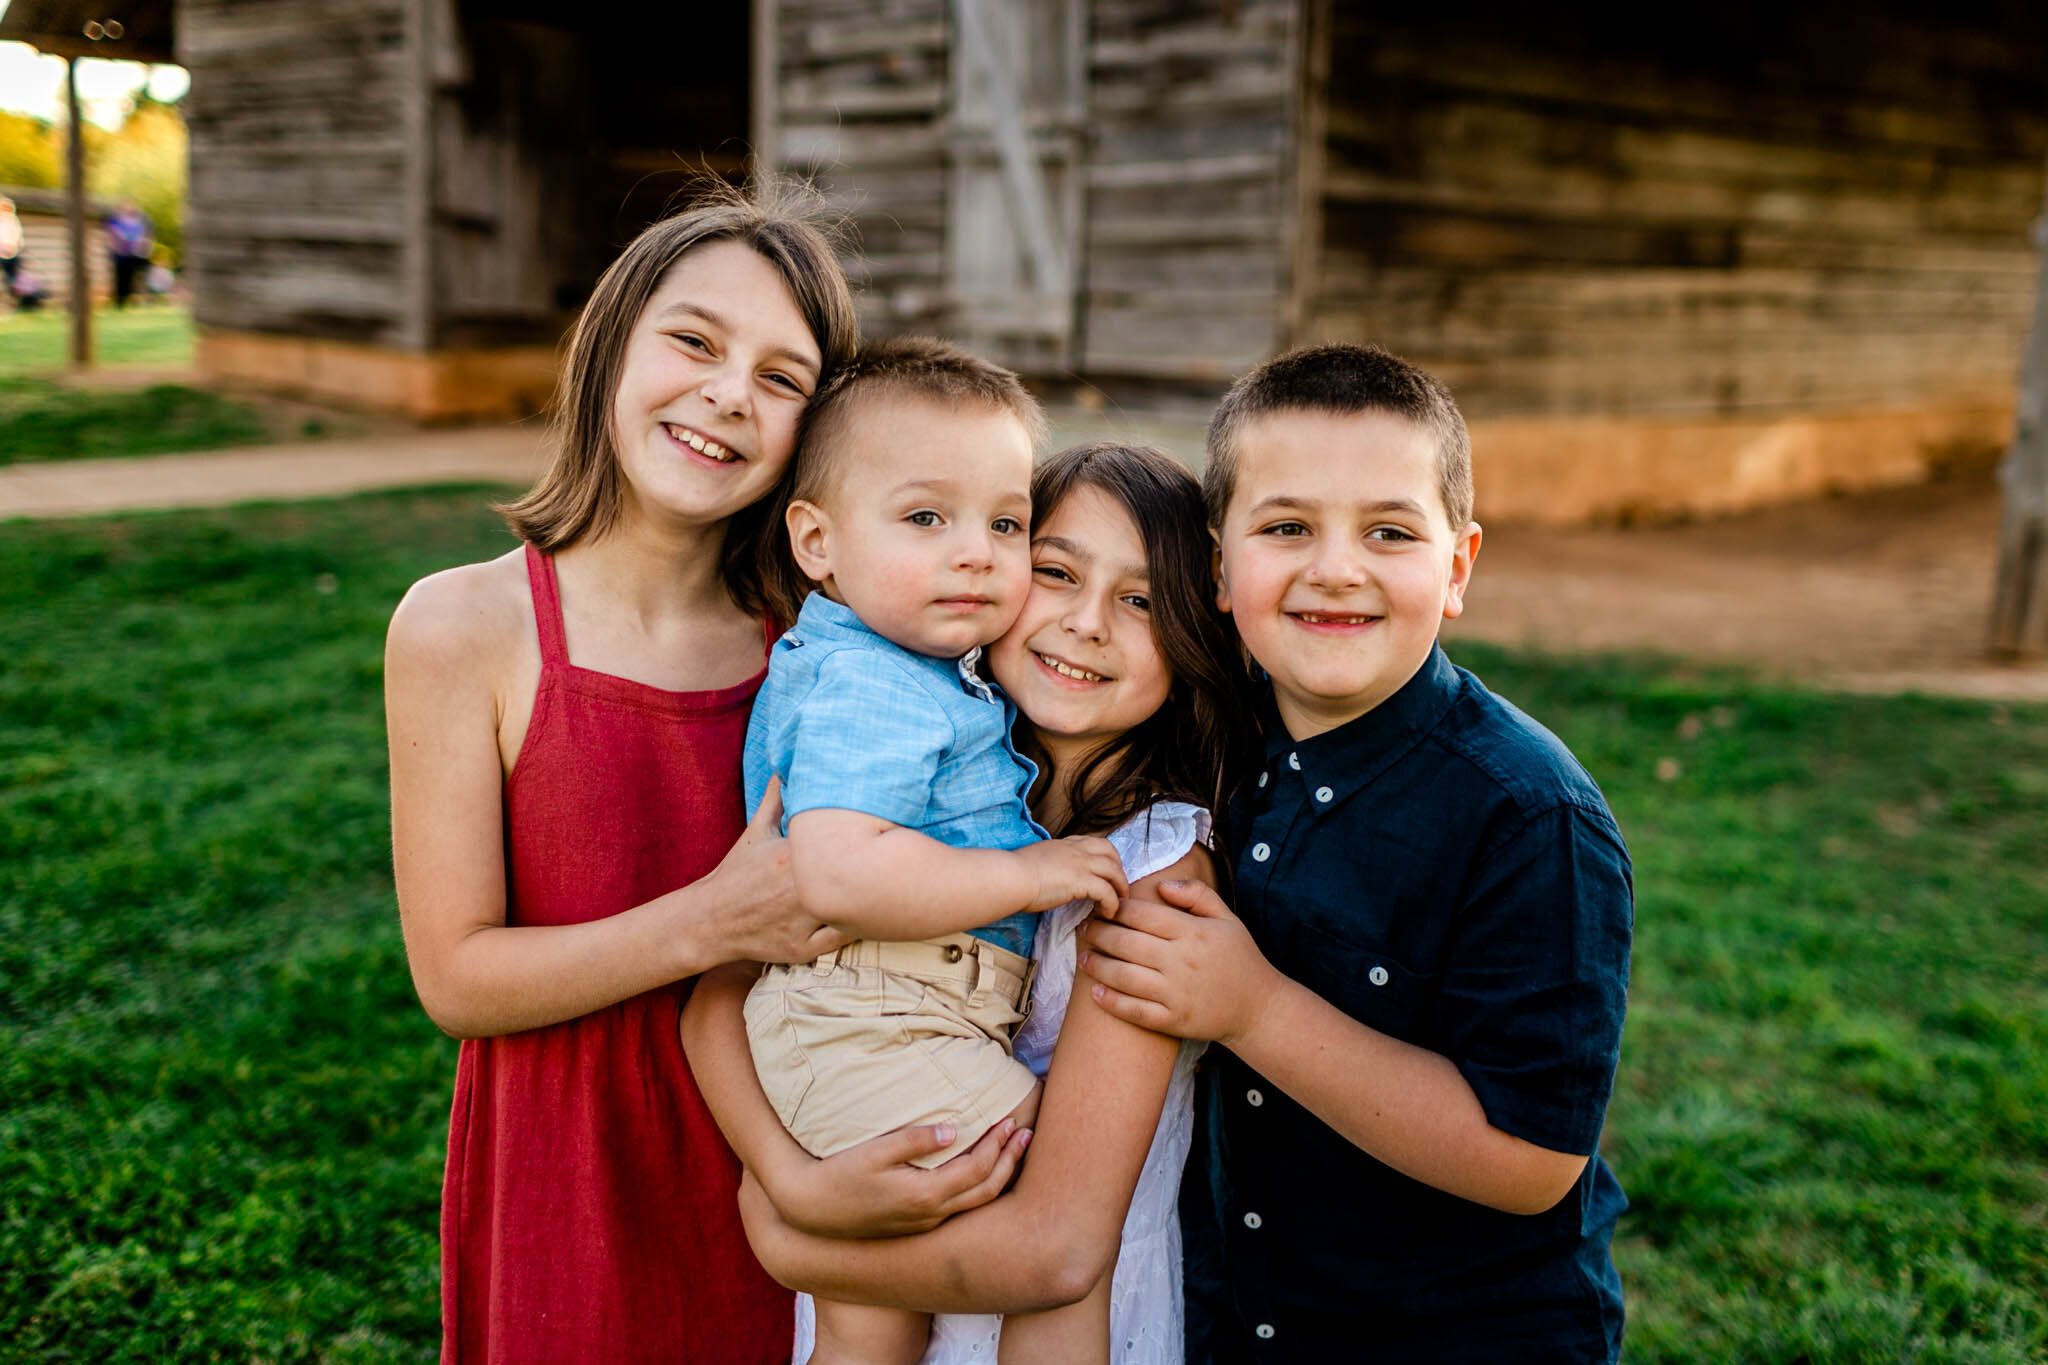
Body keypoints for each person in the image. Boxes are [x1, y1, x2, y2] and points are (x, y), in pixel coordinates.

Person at [384, 186, 974, 1364]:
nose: (725, 394)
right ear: (611, 346)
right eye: (694, 342)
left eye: (780, 376)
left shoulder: (828, 646)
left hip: (795, 1135)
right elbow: (456, 978)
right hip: (572, 1166)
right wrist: (711, 919)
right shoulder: (464, 626)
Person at [1077, 343, 1635, 1363]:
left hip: (1449, 1336)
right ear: (1214, 566)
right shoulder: (1211, 742)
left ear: (1456, 566)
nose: (1334, 568)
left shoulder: (1528, 814)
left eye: (1387, 531)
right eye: (1285, 527)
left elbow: (1531, 1158)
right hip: (1235, 1313)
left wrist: (1250, 1008)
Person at [684, 440, 1256, 1364]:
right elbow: (721, 994)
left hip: (1066, 1312)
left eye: (1141, 600)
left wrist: (789, 1238)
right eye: (1057, 572)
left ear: (1191, 637)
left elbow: (1057, 1247)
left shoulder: (1152, 873)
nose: (1087, 622)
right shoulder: (909, 783)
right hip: (876, 1269)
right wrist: (788, 1183)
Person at [735, 338, 1138, 1363]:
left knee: (869, 1335)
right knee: (1058, 1244)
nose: (977, 553)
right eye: (926, 518)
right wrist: (1030, 875)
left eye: (1006, 524)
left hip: (862, 1022)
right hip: (875, 1018)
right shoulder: (870, 681)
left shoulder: (911, 664)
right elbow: (834, 869)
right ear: (816, 543)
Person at [105, 200, 152, 308]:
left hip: (134, 254)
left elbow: (143, 238)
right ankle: (120, 301)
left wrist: (142, 247)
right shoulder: (115, 222)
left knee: (135, 277)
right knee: (121, 278)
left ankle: (137, 299)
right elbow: (113, 236)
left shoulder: (137, 223)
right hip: (120, 255)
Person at [0, 198, 22, 306]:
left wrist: (11, 248)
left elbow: (16, 239)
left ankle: (13, 300)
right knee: (11, 278)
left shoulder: (11, 221)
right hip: (8, 252)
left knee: (11, 278)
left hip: (9, 253)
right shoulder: (12, 221)